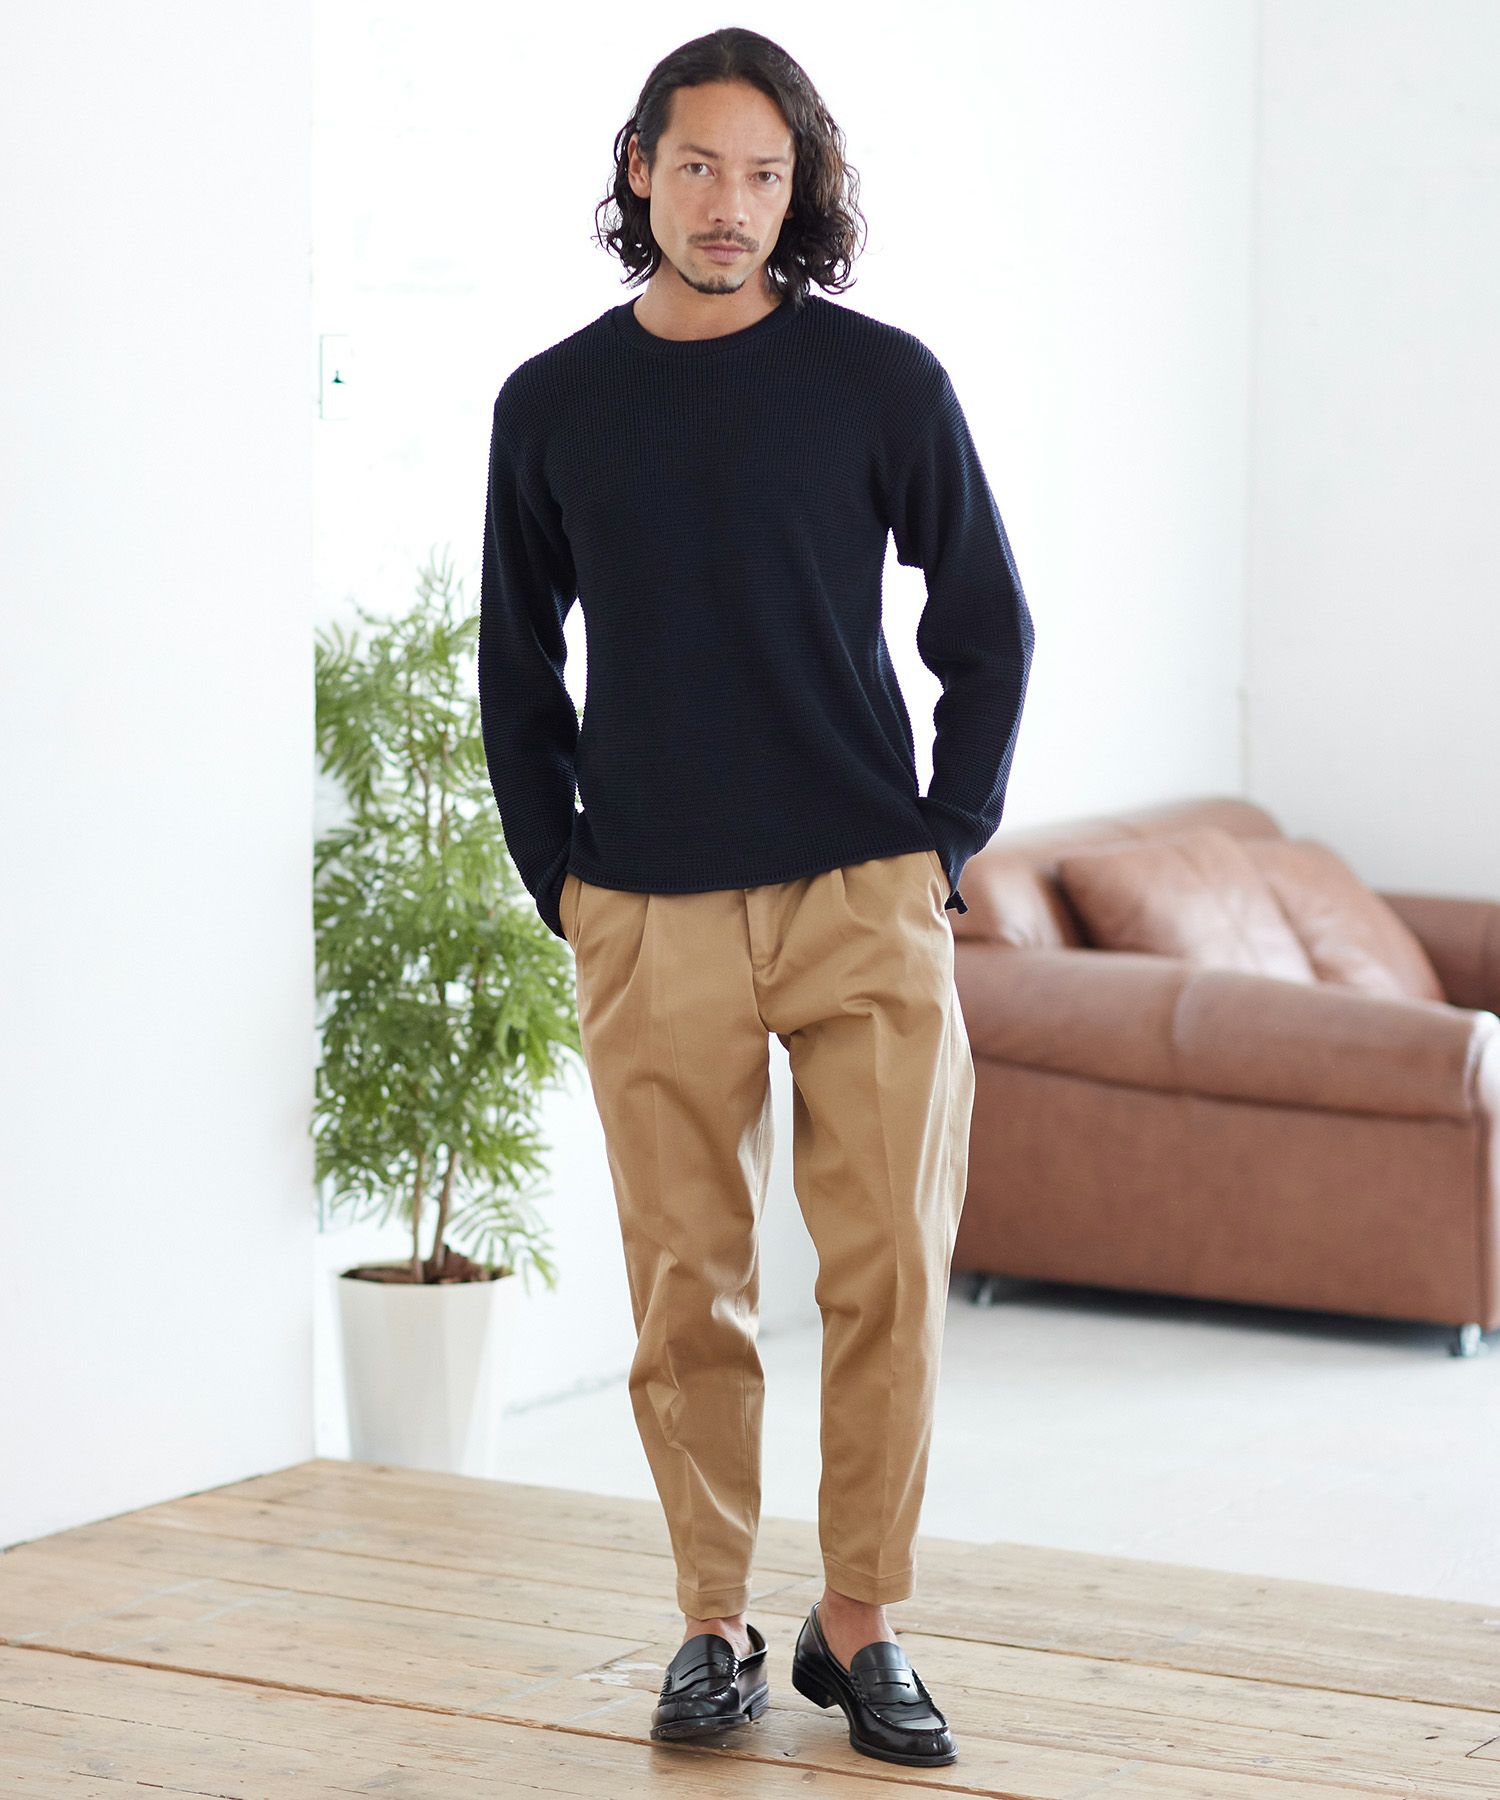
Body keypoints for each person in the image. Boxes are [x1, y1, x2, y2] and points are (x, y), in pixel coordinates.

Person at [477, 26, 1034, 1769]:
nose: (732, 205)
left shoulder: (882, 383)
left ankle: (859, 1622)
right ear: (640, 167)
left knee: (890, 1274)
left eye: (768, 174)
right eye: (702, 167)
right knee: (686, 1290)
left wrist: (942, 843)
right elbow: (516, 669)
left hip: (863, 893)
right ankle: (711, 1618)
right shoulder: (552, 404)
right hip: (649, 908)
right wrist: (564, 882)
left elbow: (987, 626)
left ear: (804, 190)